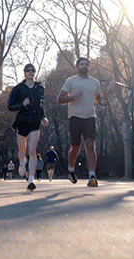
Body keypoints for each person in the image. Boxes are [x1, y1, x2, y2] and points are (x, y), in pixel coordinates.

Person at [58, 57, 103, 187]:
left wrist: (99, 105)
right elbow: (60, 99)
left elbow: (98, 97)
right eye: (81, 64)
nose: (84, 66)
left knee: (90, 144)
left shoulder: (95, 82)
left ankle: (92, 176)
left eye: (86, 64)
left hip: (90, 117)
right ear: (77, 67)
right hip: (75, 118)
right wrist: (71, 98)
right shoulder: (71, 81)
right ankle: (71, 168)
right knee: (75, 148)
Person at [8, 63, 49, 191]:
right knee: (22, 150)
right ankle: (21, 162)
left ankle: (31, 180)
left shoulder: (40, 88)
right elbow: (10, 106)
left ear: (35, 73)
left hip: (35, 121)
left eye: (32, 70)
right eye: (28, 70)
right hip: (22, 121)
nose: (30, 72)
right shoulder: (18, 88)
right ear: (25, 73)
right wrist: (22, 104)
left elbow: (40, 105)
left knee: (32, 150)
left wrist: (43, 117)